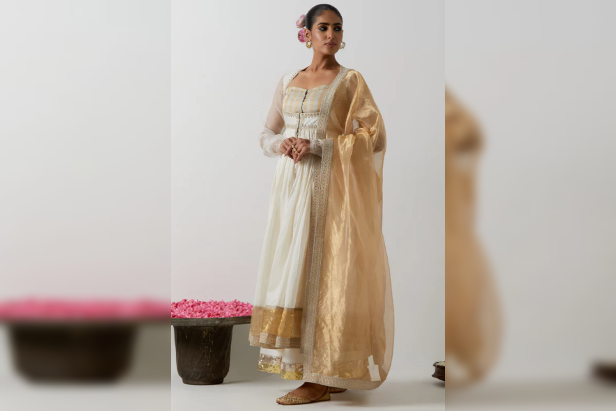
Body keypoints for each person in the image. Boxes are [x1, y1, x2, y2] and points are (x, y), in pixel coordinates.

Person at [249, 4, 394, 405]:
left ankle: (322, 374)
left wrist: (318, 146)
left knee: (328, 270)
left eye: (337, 28)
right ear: (307, 34)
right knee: (294, 268)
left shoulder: (349, 81)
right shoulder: (288, 80)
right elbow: (266, 133)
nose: (331, 35)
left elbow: (375, 136)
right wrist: (282, 143)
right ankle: (314, 370)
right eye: (323, 28)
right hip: (290, 187)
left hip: (330, 186)